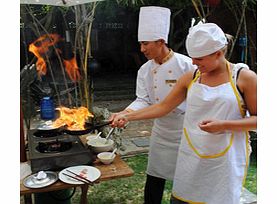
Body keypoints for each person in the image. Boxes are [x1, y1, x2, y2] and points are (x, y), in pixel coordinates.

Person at [111, 23, 257, 204]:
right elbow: (163, 107)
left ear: (218, 53)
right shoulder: (192, 76)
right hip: (192, 152)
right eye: (193, 58)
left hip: (225, 159)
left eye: (199, 59)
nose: (194, 63)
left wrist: (224, 125)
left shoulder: (244, 78)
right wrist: (126, 115)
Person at [109, 6, 195, 204]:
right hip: (161, 132)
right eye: (140, 44)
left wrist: (128, 115)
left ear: (161, 41)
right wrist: (125, 112)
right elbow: (143, 100)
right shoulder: (144, 70)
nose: (142, 49)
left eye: (145, 44)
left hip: (185, 132)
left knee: (186, 178)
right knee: (155, 176)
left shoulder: (186, 65)